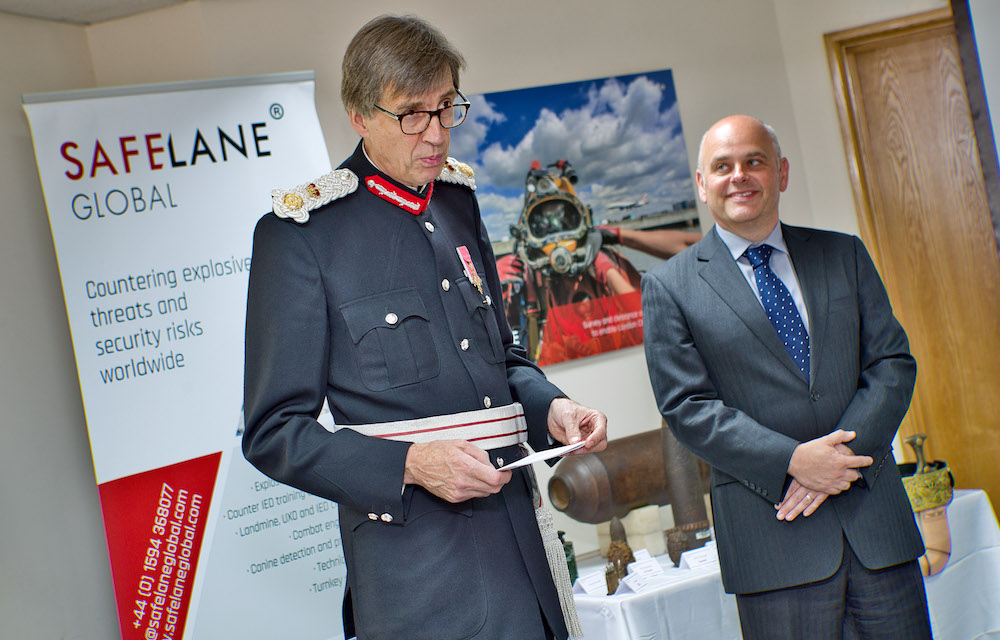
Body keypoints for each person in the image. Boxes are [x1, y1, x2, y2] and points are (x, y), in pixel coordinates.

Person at [241, 14, 607, 640]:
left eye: (446, 108)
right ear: (359, 115)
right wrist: (410, 465)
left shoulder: (458, 204)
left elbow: (504, 355)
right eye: (413, 114)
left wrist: (553, 407)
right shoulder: (301, 236)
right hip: (423, 572)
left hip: (523, 542)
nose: (436, 134)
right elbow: (274, 432)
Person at [641, 114, 931, 639]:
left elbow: (891, 362)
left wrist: (839, 460)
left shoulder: (844, 253)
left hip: (876, 529)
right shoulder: (670, 287)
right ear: (703, 185)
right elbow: (687, 407)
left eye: (754, 161)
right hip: (772, 543)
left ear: (782, 173)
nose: (740, 176)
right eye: (722, 166)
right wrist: (795, 461)